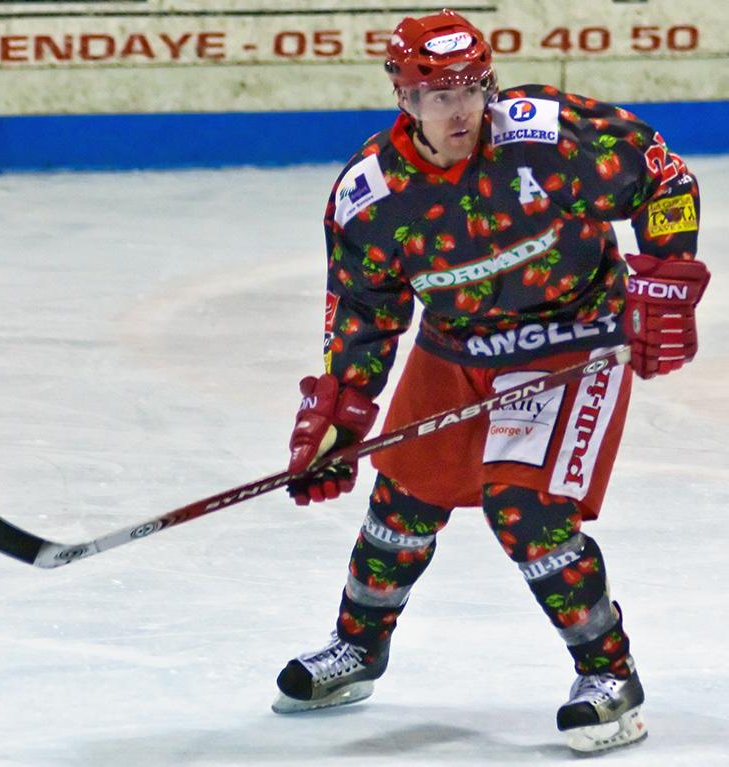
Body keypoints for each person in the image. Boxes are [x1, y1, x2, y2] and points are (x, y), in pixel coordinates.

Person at [271, 9, 709, 755]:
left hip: (571, 338)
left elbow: (663, 177)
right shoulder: (371, 196)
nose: (461, 110)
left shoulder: (544, 137)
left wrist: (666, 278)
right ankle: (358, 647)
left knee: (525, 508)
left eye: (472, 89)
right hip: (455, 349)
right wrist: (342, 414)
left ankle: (610, 678)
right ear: (405, 98)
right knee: (400, 502)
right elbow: (365, 311)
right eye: (439, 94)